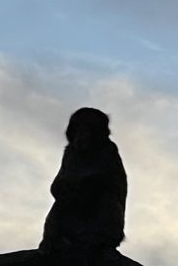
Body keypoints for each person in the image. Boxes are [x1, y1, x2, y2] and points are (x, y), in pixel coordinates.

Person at [40, 105, 127, 251]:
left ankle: (99, 241)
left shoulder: (108, 152)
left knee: (102, 199)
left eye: (88, 130)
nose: (82, 135)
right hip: (72, 214)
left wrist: (86, 185)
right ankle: (54, 240)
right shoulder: (70, 153)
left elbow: (108, 184)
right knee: (60, 206)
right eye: (79, 130)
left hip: (100, 215)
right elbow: (58, 185)